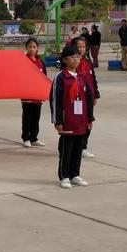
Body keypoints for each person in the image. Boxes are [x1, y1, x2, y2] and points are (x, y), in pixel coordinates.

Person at [50, 45, 94, 189]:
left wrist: (89, 118)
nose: (76, 59)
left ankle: (75, 174)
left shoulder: (81, 76)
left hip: (81, 120)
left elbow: (87, 99)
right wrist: (57, 120)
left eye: (78, 56)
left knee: (77, 148)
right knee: (66, 149)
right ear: (64, 60)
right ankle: (64, 176)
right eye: (72, 57)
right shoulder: (61, 77)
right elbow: (55, 99)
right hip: (67, 120)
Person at [72, 37, 100, 159]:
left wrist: (95, 95)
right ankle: (74, 146)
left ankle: (83, 147)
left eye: (83, 47)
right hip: (77, 100)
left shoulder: (88, 63)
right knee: (77, 123)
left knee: (88, 122)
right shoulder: (72, 63)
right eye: (79, 46)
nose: (81, 49)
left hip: (89, 98)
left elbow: (93, 79)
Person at [21, 38, 47, 148]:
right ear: (26, 48)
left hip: (38, 95)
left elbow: (44, 77)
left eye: (34, 47)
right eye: (30, 47)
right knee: (27, 116)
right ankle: (26, 138)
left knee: (36, 117)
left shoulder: (40, 62)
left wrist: (44, 92)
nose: (32, 49)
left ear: (37, 49)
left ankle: (34, 138)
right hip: (27, 94)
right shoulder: (23, 61)